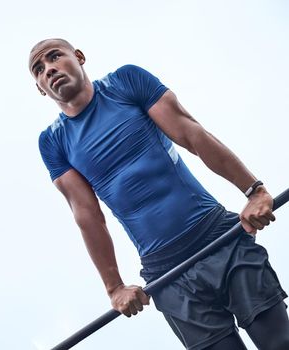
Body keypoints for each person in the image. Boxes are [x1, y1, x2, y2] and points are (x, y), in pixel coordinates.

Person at [29, 38, 289, 350]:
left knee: (279, 342)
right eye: (39, 70)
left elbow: (191, 134)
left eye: (55, 57)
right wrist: (114, 288)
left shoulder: (125, 81)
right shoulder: (53, 142)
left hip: (218, 237)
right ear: (41, 89)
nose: (49, 69)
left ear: (79, 57)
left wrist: (254, 191)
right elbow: (87, 215)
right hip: (166, 273)